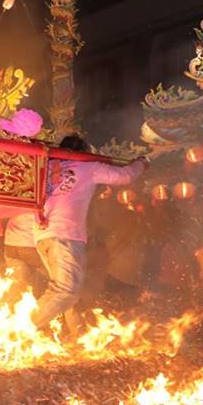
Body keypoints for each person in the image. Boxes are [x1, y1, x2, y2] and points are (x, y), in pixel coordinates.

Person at [31, 135, 147, 338]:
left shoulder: (47, 166)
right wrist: (142, 163)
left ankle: (78, 335)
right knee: (65, 291)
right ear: (84, 152)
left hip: (43, 235)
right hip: (65, 235)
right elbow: (125, 176)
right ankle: (21, 329)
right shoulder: (88, 167)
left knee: (68, 289)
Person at [2, 213, 46, 308]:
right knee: (56, 279)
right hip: (30, 244)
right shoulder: (43, 202)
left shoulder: (15, 202)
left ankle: (8, 310)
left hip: (10, 243)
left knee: (17, 282)